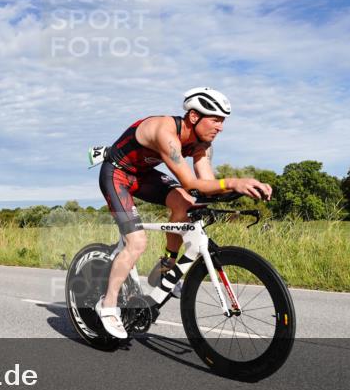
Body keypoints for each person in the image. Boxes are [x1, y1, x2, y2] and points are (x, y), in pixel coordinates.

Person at [96, 87, 273, 339]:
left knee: (186, 204)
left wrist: (242, 189)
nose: (220, 127)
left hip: (144, 175)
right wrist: (234, 182)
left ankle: (167, 264)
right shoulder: (165, 132)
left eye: (223, 121)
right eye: (215, 119)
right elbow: (191, 182)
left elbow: (206, 183)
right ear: (193, 117)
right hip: (117, 173)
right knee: (136, 242)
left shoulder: (203, 144)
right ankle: (109, 304)